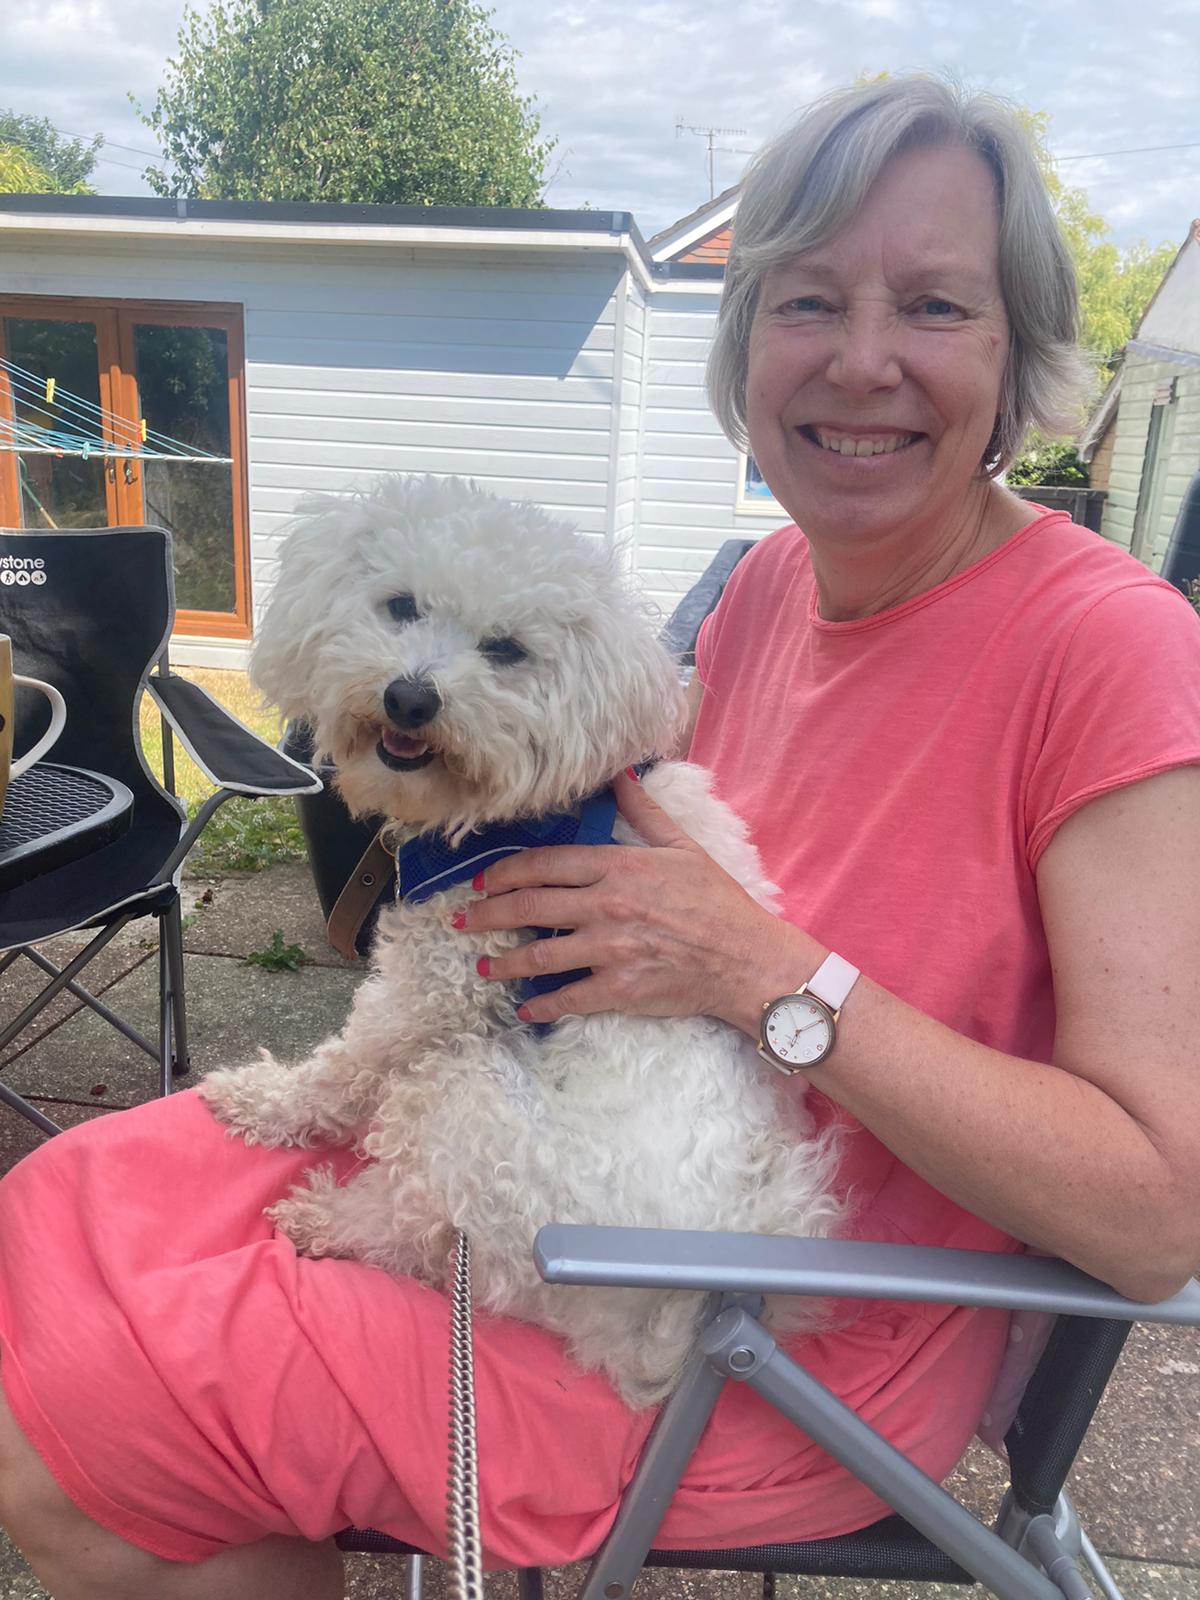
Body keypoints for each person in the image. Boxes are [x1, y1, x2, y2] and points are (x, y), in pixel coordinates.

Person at [2, 73, 1199, 1600]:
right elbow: (590, 814)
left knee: (79, 1421)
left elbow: (1159, 1214)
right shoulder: (774, 589)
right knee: (58, 1205)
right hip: (593, 1162)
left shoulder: (1113, 650)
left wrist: (774, 977)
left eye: (937, 305)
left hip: (782, 1330)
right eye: (809, 298)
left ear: (1023, 353)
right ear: (746, 340)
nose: (863, 358)